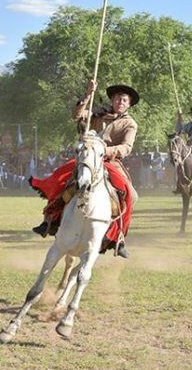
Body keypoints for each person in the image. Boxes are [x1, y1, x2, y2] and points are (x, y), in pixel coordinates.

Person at [30, 80, 138, 259]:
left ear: (129, 104)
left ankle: (119, 237)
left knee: (131, 195)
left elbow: (126, 147)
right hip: (87, 157)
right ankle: (49, 219)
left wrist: (105, 150)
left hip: (110, 161)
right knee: (60, 178)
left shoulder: (130, 124)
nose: (120, 102)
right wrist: (88, 95)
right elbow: (76, 115)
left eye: (124, 100)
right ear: (112, 100)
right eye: (118, 98)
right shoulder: (98, 114)